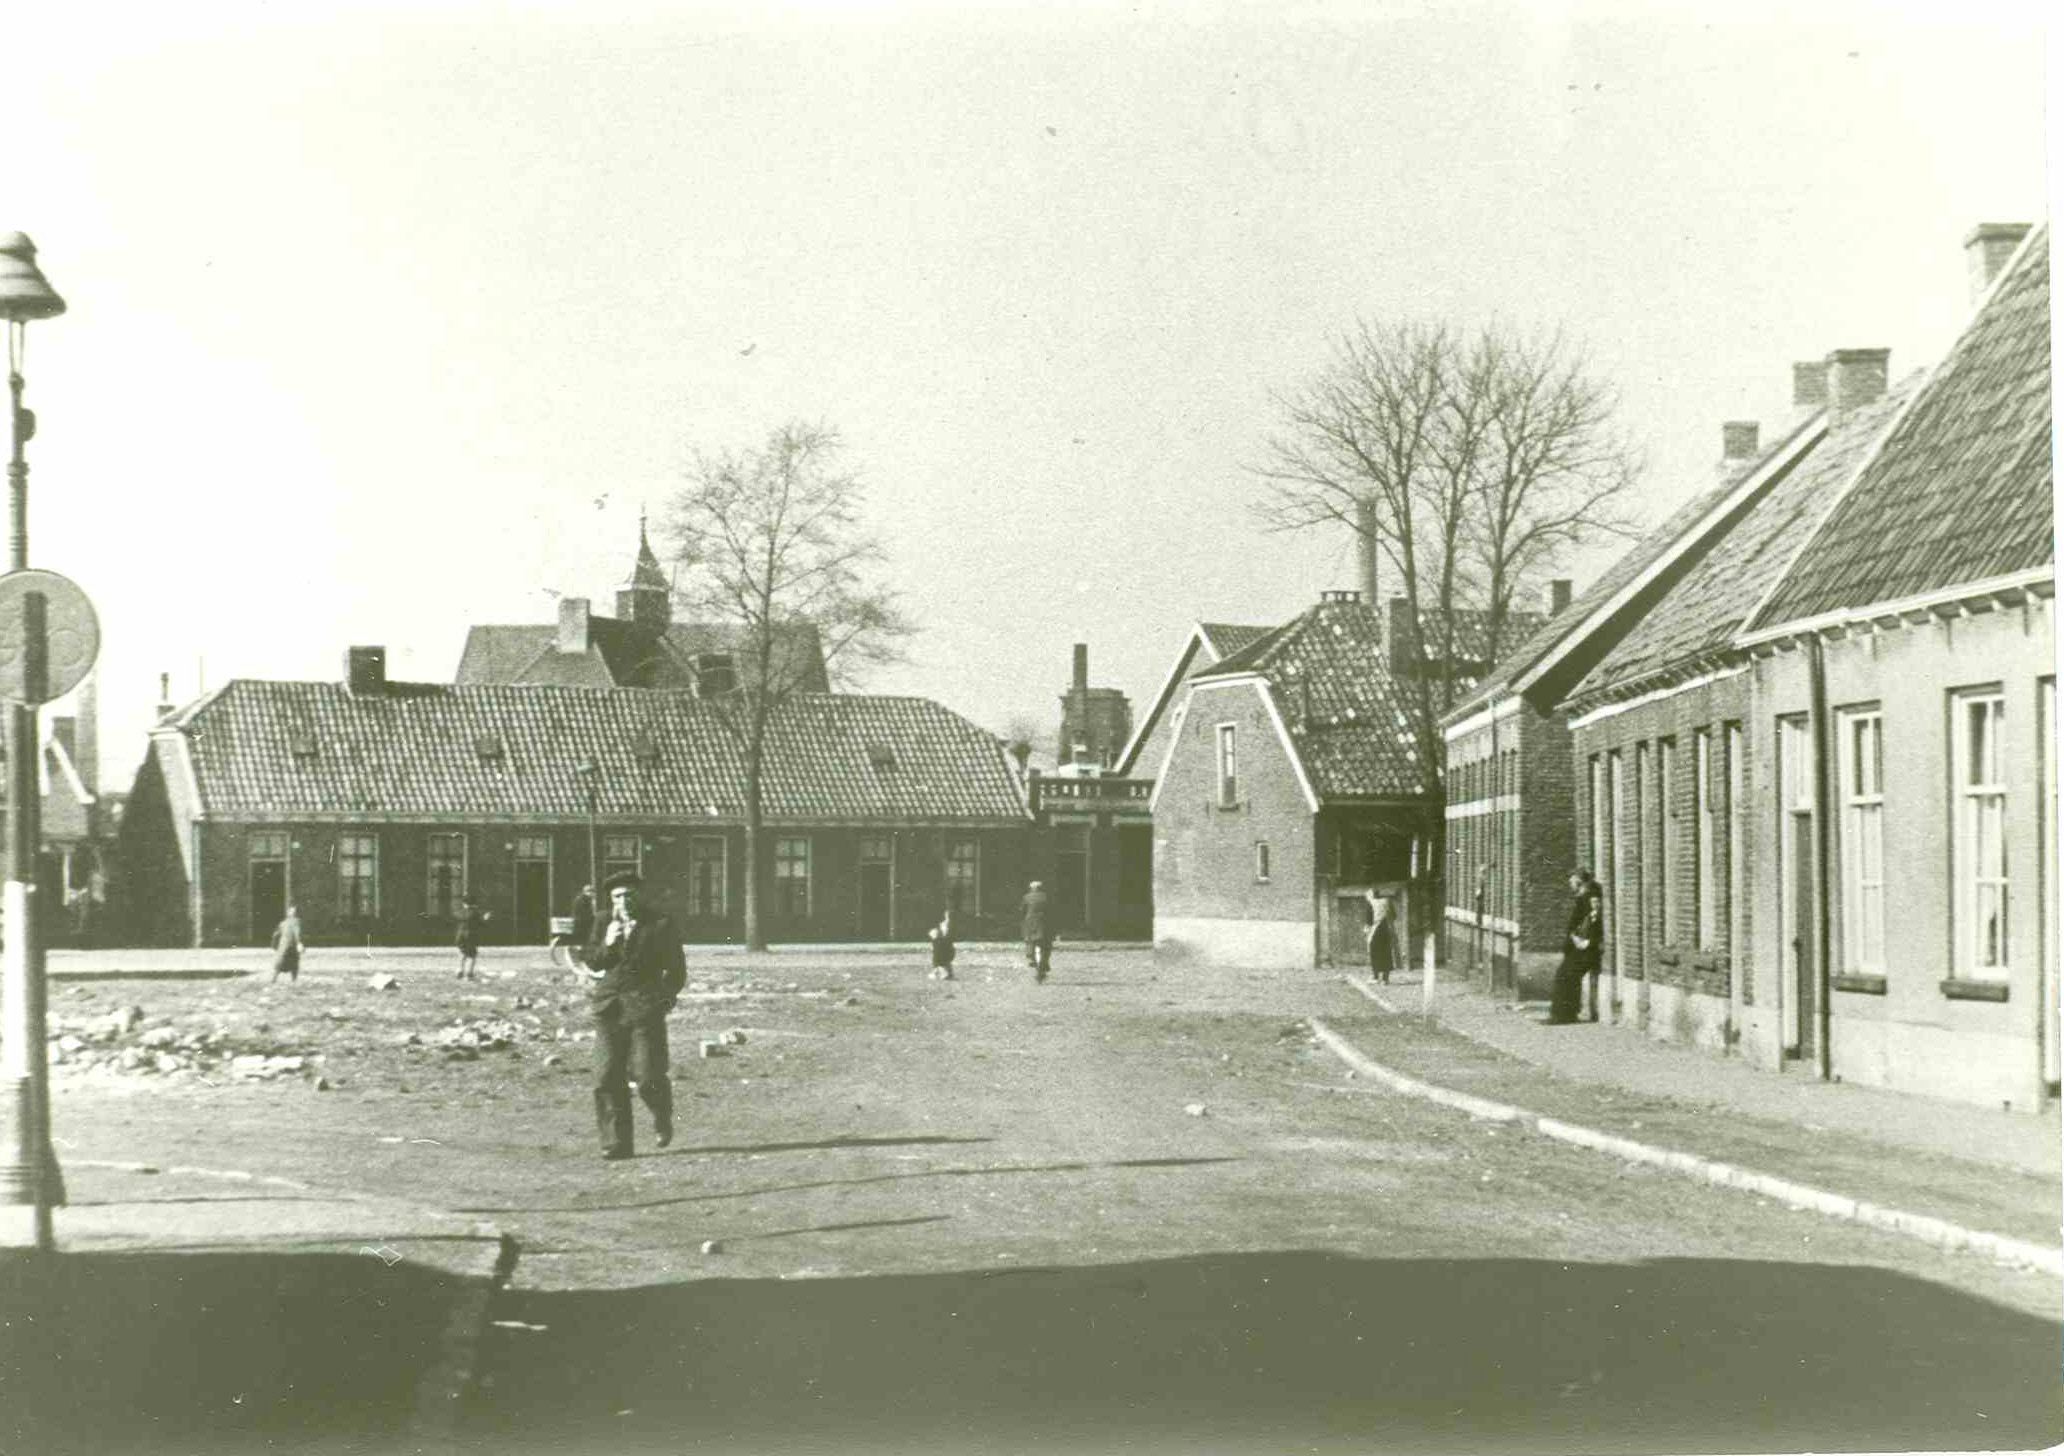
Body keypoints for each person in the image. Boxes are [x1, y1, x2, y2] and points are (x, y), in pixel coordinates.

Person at [584, 871, 686, 1161]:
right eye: (617, 896)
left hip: (644, 1009)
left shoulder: (660, 923)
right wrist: (607, 942)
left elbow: (676, 970)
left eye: (629, 895)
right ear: (611, 899)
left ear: (639, 896)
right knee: (606, 1075)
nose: (623, 901)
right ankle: (617, 1143)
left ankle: (661, 1115)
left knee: (647, 1076)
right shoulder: (604, 921)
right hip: (608, 1007)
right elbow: (592, 961)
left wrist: (662, 1001)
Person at [1547, 869, 1603, 1024]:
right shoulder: (1582, 898)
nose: (1570, 883)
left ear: (1579, 881)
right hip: (1578, 947)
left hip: (1586, 949)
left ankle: (1562, 1015)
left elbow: (1594, 923)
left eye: (1572, 881)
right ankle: (1567, 1013)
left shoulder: (1589, 898)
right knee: (1567, 975)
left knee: (1564, 975)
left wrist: (1585, 941)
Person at [1021, 879, 1052, 983]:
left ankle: (1031, 957)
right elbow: (1052, 911)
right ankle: (1045, 963)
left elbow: (1022, 910)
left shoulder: (1026, 897)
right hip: (1044, 923)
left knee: (1029, 940)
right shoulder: (1046, 897)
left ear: (1031, 888)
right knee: (1046, 945)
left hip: (1030, 923)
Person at [1365, 891, 1397, 986]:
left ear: (1370, 896)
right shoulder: (1388, 901)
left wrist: (1366, 931)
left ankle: (1375, 977)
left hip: (1376, 931)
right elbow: (1394, 916)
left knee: (1374, 952)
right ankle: (1385, 979)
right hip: (1387, 930)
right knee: (1387, 953)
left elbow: (1369, 921)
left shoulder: (1371, 903)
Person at [454, 899, 489, 982]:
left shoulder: (459, 913)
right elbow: (481, 924)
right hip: (471, 936)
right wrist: (485, 918)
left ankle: (460, 970)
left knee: (462, 953)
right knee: (472, 955)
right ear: (472, 904)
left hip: (460, 936)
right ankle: (469, 974)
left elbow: (456, 918)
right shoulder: (475, 913)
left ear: (464, 904)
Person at [270, 905, 304, 985]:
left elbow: (275, 935)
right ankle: (294, 980)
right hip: (292, 946)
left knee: (279, 963)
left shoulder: (283, 923)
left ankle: (274, 980)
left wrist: (274, 945)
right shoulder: (297, 922)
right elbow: (297, 933)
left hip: (283, 947)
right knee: (294, 963)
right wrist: (299, 942)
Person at [928, 898, 959, 980]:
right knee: (942, 958)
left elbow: (947, 936)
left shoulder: (949, 925)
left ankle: (942, 972)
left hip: (945, 949)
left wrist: (937, 935)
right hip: (945, 949)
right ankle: (941, 972)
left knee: (940, 957)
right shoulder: (944, 924)